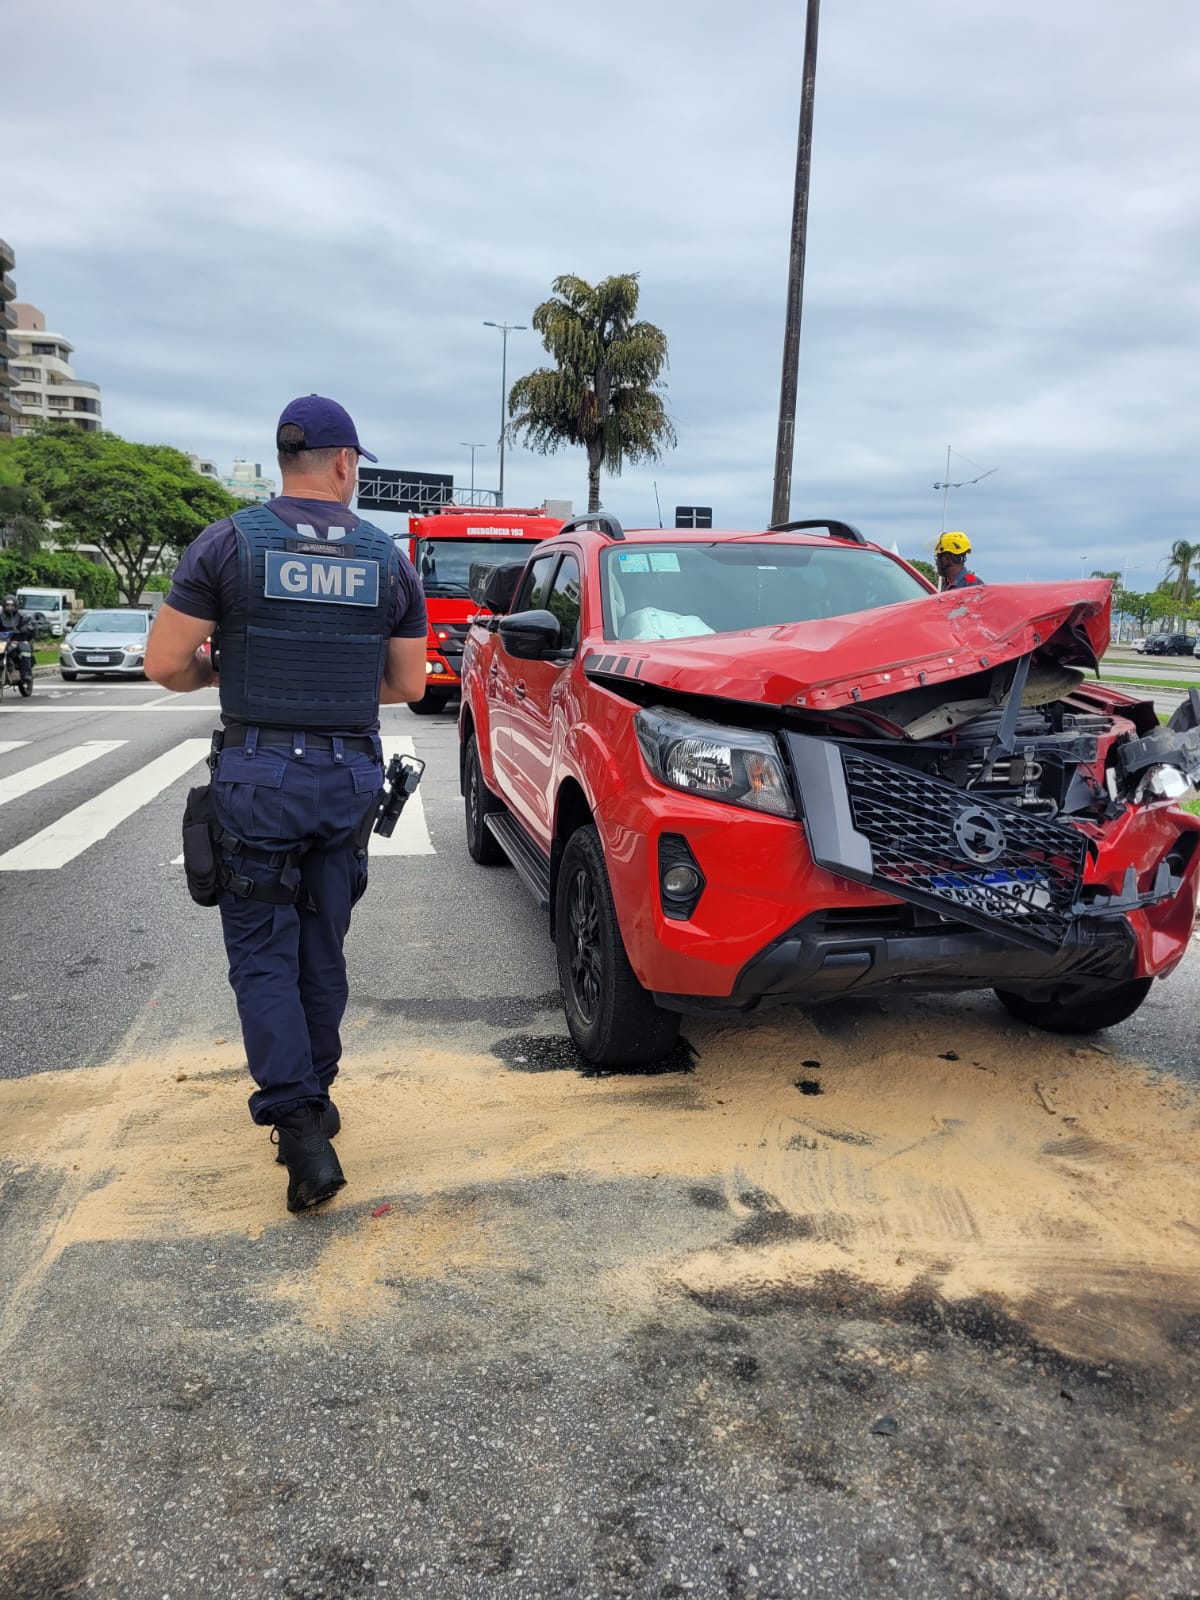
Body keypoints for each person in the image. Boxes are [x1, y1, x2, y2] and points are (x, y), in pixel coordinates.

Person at [145, 396, 428, 1213]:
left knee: (263, 952)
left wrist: (220, 673)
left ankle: (300, 1125)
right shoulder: (387, 558)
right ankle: (318, 1088)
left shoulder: (227, 544)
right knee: (322, 944)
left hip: (258, 777)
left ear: (284, 459)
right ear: (345, 463)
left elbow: (165, 664)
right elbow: (408, 685)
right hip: (344, 781)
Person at [0, 595, 35, 691]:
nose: (10, 608)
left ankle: (26, 675)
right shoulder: (0, 616)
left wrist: (24, 629)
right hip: (3, 640)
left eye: (12, 606)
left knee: (25, 651)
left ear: (16, 606)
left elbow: (28, 625)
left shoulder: (21, 616)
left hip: (18, 639)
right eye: (7, 606)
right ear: (4, 606)